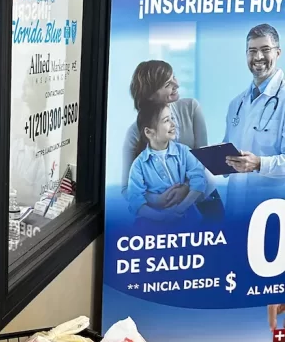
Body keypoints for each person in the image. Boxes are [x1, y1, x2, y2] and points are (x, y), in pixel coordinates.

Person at [122, 61, 211, 211]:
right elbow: (127, 188)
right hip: (163, 214)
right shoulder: (134, 133)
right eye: (167, 84)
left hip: (203, 201)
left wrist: (187, 189)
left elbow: (205, 160)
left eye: (174, 77)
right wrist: (157, 200)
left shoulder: (191, 108)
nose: (177, 84)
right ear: (150, 95)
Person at [224, 24, 285, 214]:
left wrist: (259, 163)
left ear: (278, 53)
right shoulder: (236, 104)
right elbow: (229, 147)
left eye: (265, 50)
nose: (258, 57)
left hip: (273, 211)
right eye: (252, 51)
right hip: (235, 207)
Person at [127, 105, 207, 221]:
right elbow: (135, 202)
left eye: (172, 118)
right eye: (166, 120)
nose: (173, 124)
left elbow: (199, 180)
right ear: (149, 132)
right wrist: (162, 217)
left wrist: (180, 208)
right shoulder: (138, 165)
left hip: (189, 220)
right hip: (153, 227)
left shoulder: (184, 152)